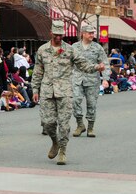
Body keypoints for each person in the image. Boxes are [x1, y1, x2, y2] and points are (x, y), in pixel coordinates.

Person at [31, 21, 105, 165]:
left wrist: (97, 67)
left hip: (65, 91)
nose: (59, 37)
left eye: (61, 34)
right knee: (48, 123)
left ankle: (63, 151)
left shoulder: (70, 50)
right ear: (51, 33)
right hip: (47, 91)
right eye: (56, 34)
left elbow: (83, 64)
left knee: (64, 124)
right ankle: (55, 142)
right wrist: (35, 89)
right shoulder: (42, 50)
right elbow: (38, 71)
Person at [71, 25, 109, 138]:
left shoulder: (97, 48)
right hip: (77, 78)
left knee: (91, 104)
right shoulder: (74, 47)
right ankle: (80, 125)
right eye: (89, 33)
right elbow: (69, 63)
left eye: (93, 33)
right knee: (75, 101)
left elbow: (104, 63)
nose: (92, 35)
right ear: (83, 33)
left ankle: (91, 127)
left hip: (92, 80)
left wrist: (106, 79)